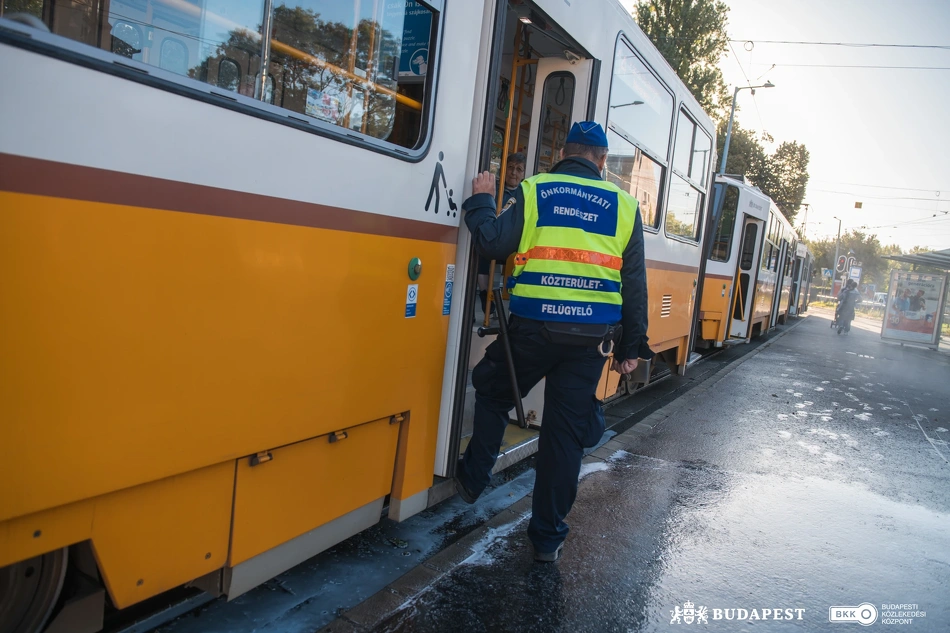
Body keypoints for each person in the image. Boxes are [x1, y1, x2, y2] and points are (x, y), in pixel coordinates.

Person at [456, 122, 652, 562]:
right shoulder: (624, 205)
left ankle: (473, 476)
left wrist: (482, 201)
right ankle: (547, 539)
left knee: (491, 390)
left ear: (564, 151)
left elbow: (492, 243)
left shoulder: (536, 189)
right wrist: (629, 349)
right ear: (602, 160)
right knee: (563, 439)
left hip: (533, 331)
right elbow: (634, 285)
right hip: (589, 342)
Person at [477, 153, 527, 318]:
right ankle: (486, 297)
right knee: (481, 254)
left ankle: (509, 304)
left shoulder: (525, 194)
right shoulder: (494, 188)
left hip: (513, 242)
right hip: (493, 236)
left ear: (523, 174)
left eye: (518, 169)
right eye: (510, 168)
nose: (513, 173)